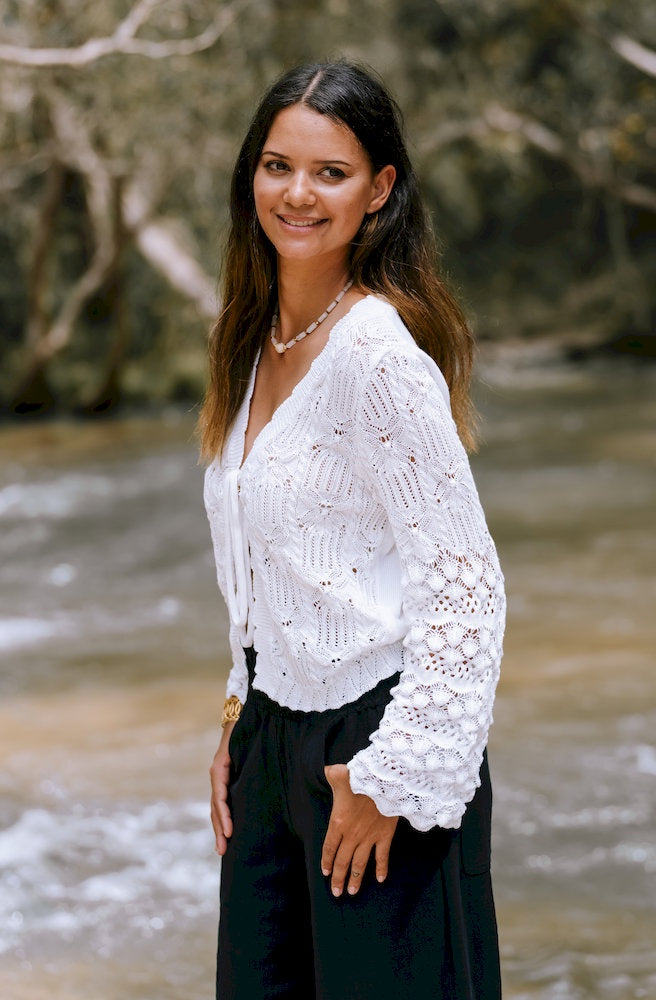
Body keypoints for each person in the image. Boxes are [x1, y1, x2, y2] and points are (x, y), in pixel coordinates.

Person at [200, 60, 506, 1000]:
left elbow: (467, 587)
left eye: (330, 172)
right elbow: (270, 568)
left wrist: (391, 778)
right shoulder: (254, 342)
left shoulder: (377, 356)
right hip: (269, 743)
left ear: (379, 192)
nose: (297, 193)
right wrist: (235, 715)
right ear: (251, 174)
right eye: (277, 165)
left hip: (373, 745)